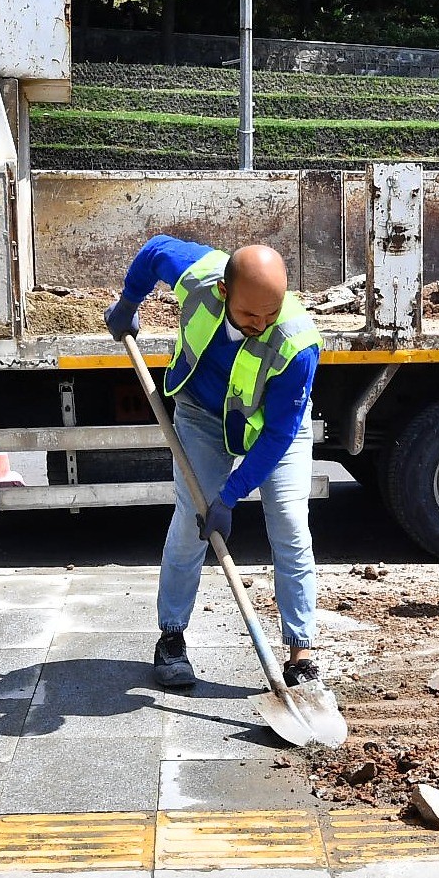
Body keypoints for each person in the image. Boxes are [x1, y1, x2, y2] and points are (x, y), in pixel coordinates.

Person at [104, 236, 323, 691]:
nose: (262, 324)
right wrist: (127, 304)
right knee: (192, 522)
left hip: (269, 429)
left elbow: (280, 434)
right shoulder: (201, 276)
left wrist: (231, 494)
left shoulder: (299, 345)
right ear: (225, 293)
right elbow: (152, 251)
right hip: (203, 413)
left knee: (288, 521)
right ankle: (172, 637)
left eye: (272, 312)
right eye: (249, 316)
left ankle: (300, 653)